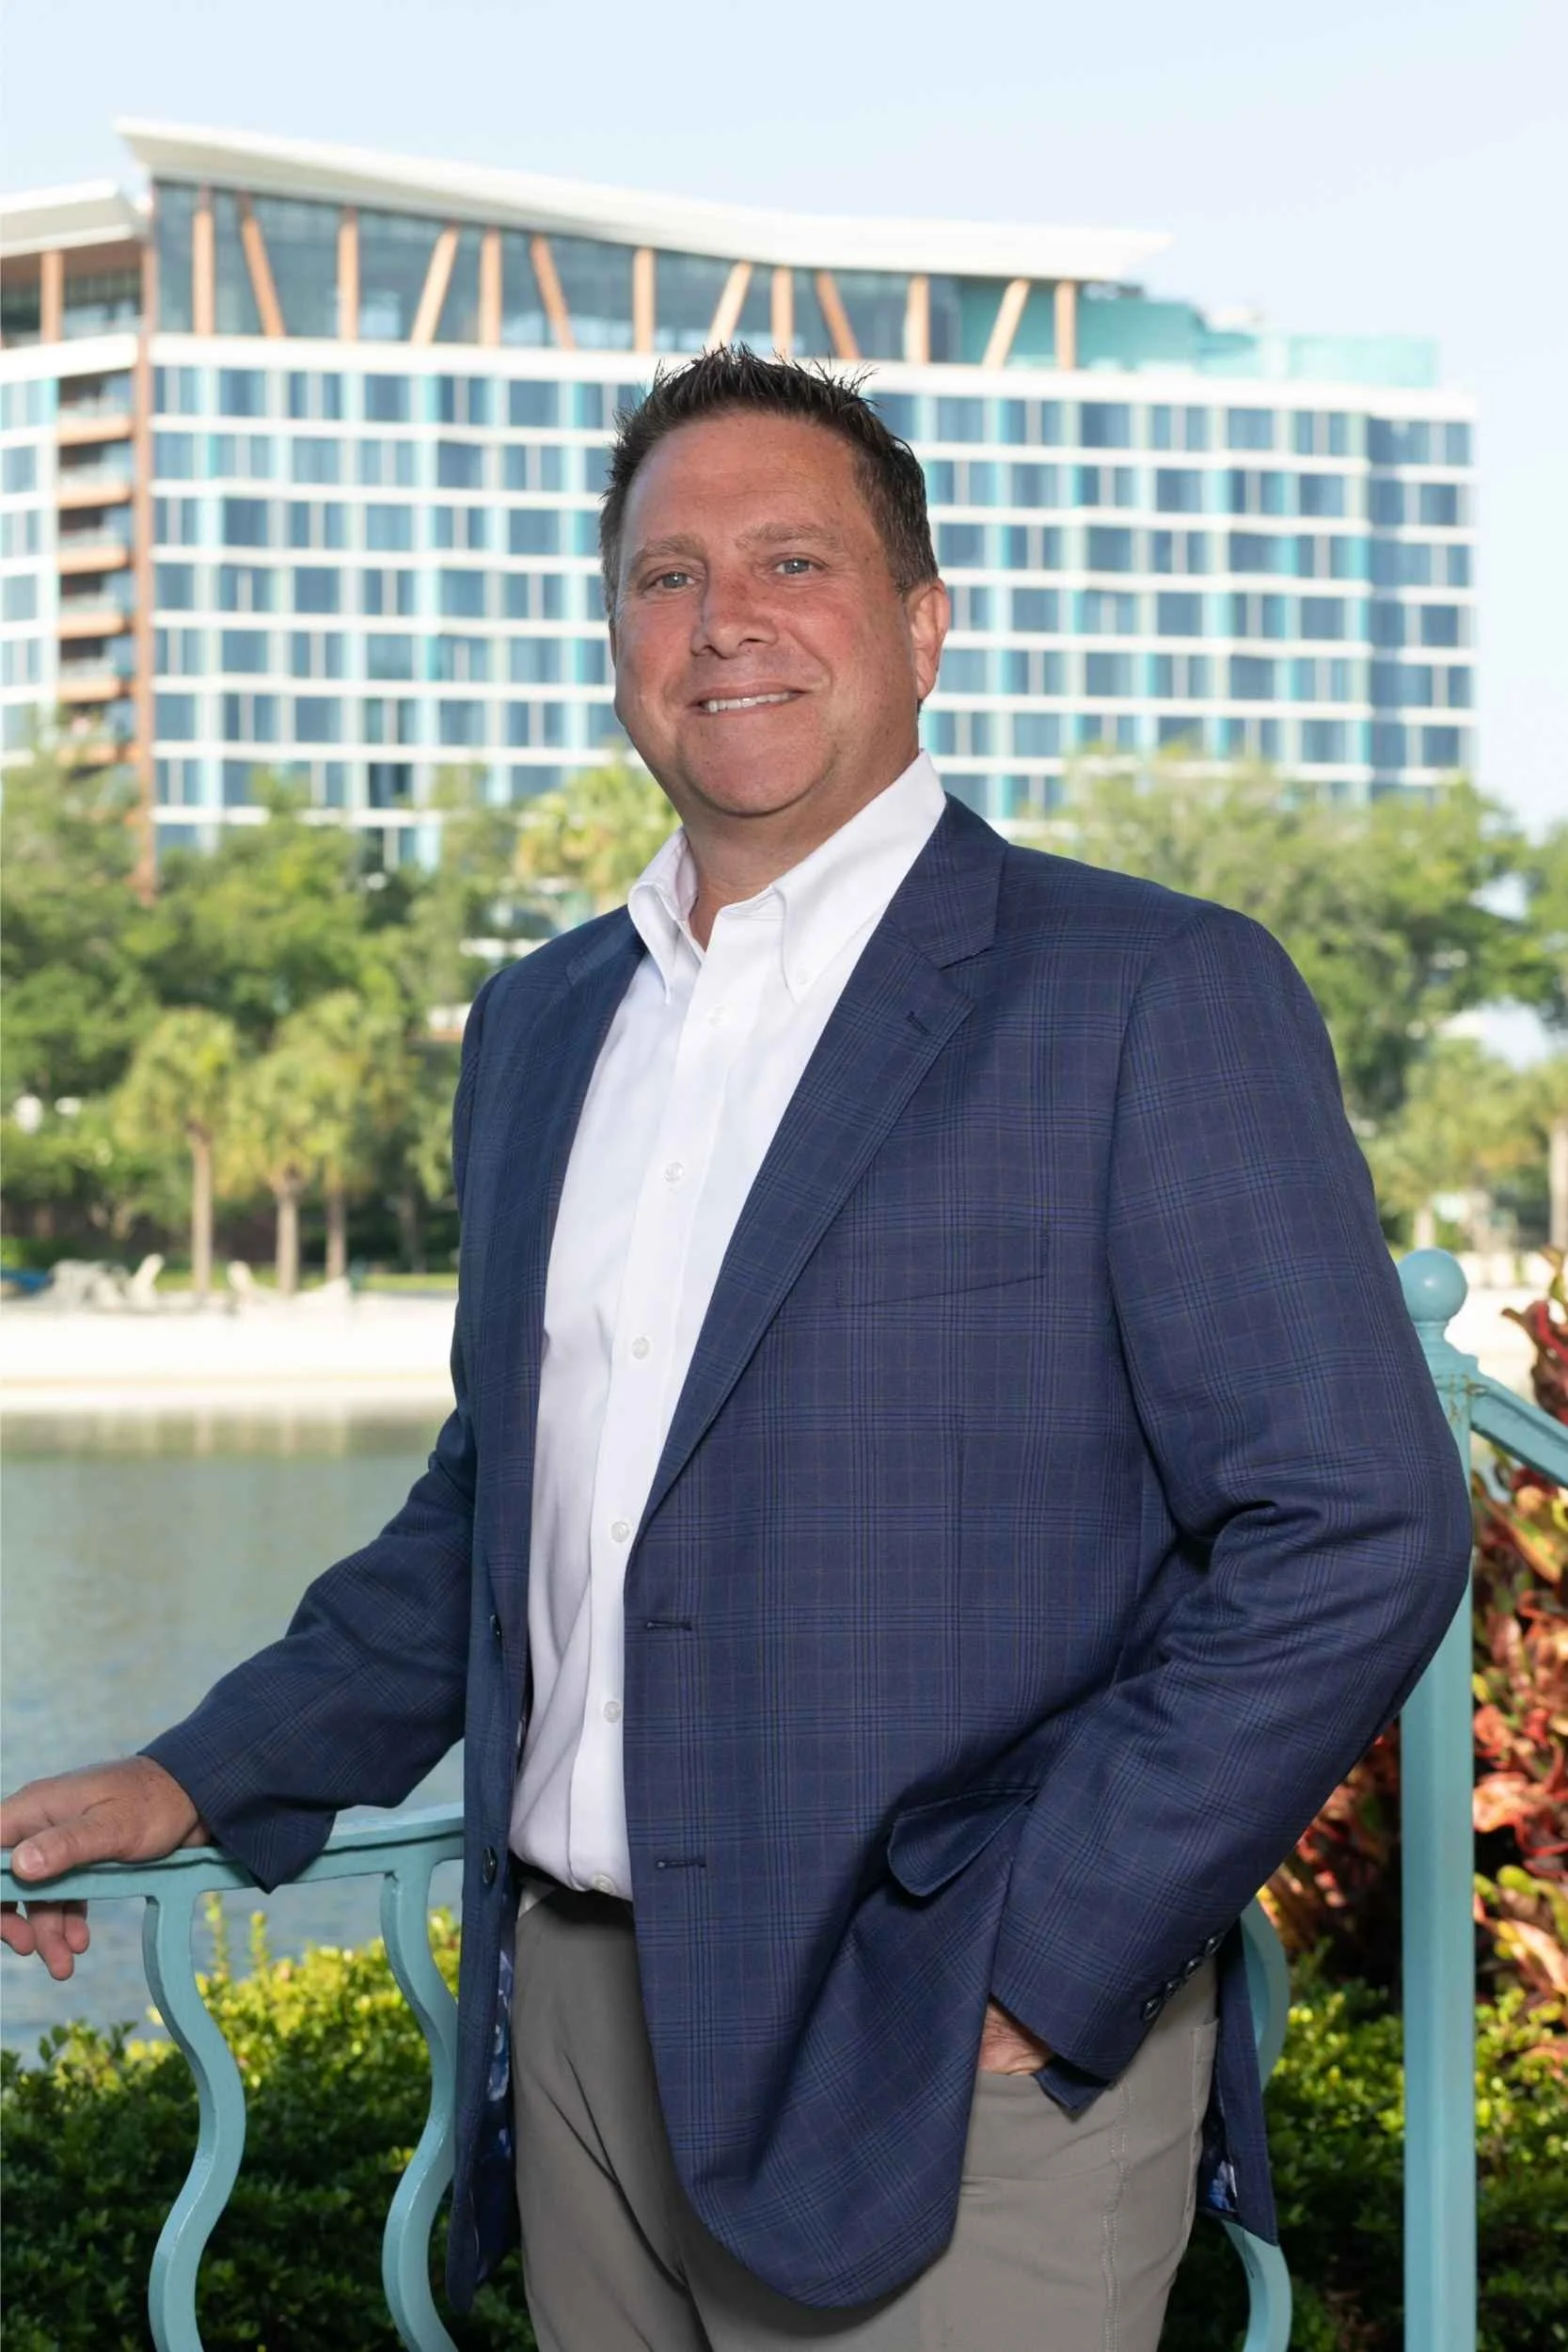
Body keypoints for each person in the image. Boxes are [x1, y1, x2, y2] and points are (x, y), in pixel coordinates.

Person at [2, 349, 1473, 2352]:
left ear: (921, 622)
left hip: (946, 2042)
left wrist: (1044, 1957)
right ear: (612, 637)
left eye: (792, 560)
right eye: (664, 575)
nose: (724, 623)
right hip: (584, 2040)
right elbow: (497, 1504)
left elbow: (1355, 1522)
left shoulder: (1150, 991)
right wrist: (192, 1772)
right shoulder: (538, 1027)